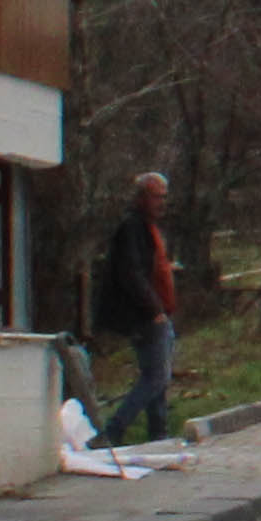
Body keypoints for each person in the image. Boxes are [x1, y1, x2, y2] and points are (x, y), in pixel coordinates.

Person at [90, 171, 181, 443]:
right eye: (156, 197)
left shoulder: (148, 228)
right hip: (145, 315)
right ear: (141, 198)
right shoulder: (132, 228)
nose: (161, 203)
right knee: (156, 377)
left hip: (157, 312)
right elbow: (131, 274)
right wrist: (154, 309)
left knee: (158, 377)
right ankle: (113, 432)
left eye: (164, 197)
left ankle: (158, 433)